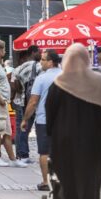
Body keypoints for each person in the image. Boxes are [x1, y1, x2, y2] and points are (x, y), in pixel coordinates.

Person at [47, 43, 101, 199]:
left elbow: (50, 115)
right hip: (94, 144)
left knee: (69, 183)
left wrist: (50, 135)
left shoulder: (58, 85)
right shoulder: (100, 83)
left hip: (64, 145)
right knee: (91, 182)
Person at [21, 49, 61, 191]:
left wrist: (25, 119)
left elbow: (33, 102)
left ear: (50, 62)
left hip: (44, 120)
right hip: (63, 121)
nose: (40, 62)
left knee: (44, 152)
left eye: (43, 60)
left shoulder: (41, 78)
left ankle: (45, 182)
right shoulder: (67, 77)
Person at [0, 40, 26, 168]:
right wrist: (1, 101)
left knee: (7, 131)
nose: (5, 51)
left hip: (2, 104)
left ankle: (12, 159)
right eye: (3, 49)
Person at [11, 45, 41, 164]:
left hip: (19, 100)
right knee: (26, 128)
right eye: (39, 52)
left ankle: (21, 154)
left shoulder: (18, 68)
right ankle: (23, 154)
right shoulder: (38, 67)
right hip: (31, 101)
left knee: (20, 128)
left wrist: (14, 97)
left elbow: (13, 86)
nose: (40, 54)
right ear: (33, 53)